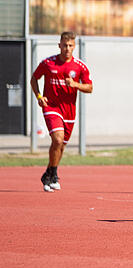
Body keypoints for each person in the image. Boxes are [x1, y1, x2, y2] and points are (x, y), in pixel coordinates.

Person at [29, 31, 93, 192]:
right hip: (51, 107)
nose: (67, 48)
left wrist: (76, 85)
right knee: (57, 140)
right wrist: (39, 96)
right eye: (64, 45)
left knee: (61, 146)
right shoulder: (48, 63)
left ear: (74, 47)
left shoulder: (80, 67)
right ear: (59, 45)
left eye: (70, 45)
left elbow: (90, 87)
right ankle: (54, 174)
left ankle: (49, 173)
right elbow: (34, 78)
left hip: (69, 111)